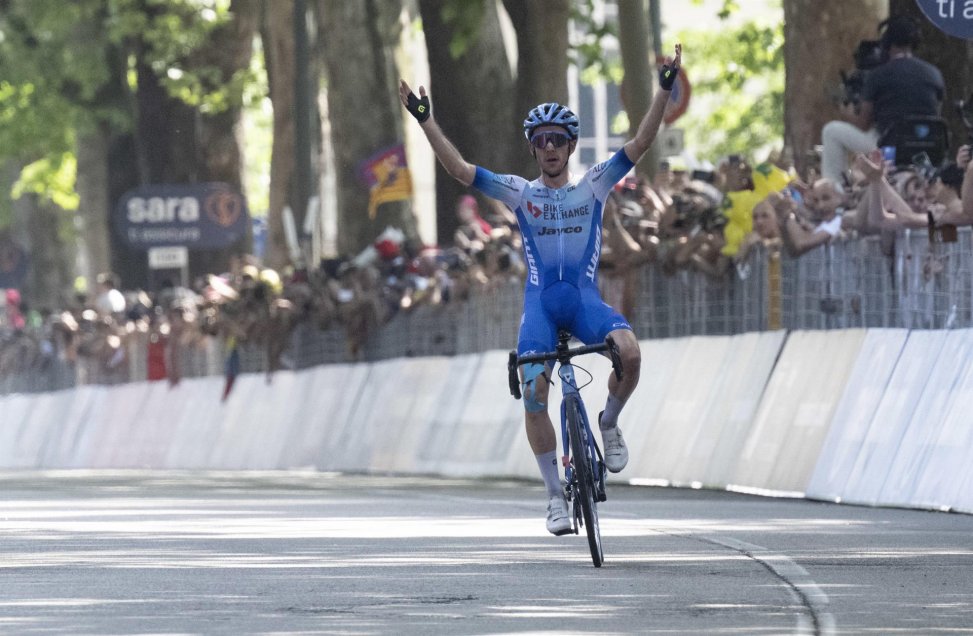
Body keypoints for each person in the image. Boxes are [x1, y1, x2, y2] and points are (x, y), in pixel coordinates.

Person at [400, 43, 682, 536]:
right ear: (533, 148)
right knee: (534, 392)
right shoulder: (519, 191)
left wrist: (661, 91)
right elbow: (461, 172)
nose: (550, 146)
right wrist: (426, 122)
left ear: (571, 146)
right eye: (541, 140)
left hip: (584, 300)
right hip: (540, 308)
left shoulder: (594, 185)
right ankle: (554, 495)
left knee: (631, 354)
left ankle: (609, 422)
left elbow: (639, 142)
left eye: (558, 139)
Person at [820, 15, 944, 185]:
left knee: (831, 131)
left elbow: (863, 123)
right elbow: (935, 113)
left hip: (891, 145)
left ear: (887, 43)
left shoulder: (878, 75)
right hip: (928, 144)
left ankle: (835, 190)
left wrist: (845, 113)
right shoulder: (934, 73)